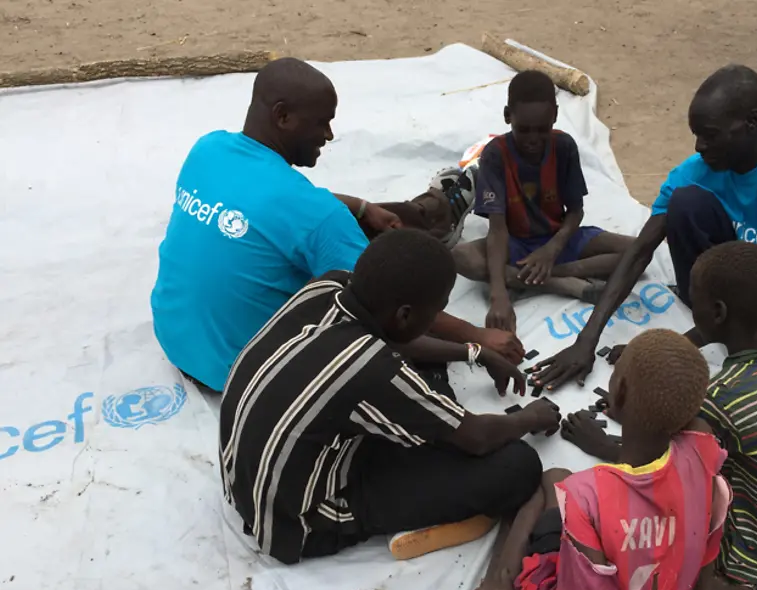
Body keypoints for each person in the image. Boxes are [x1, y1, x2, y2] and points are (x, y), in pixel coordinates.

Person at [150, 57, 519, 393]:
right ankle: (438, 213)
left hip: (177, 341)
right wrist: (475, 336)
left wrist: (362, 206)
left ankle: (429, 211)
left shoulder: (209, 149)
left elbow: (268, 201)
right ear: (283, 116)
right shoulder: (317, 214)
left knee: (349, 226)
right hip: (245, 374)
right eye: (322, 122)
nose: (328, 134)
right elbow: (386, 299)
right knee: (385, 316)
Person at [529, 63, 757, 391]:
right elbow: (640, 251)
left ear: (752, 122)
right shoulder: (700, 168)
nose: (700, 146)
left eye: (711, 135)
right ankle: (709, 311)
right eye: (697, 135)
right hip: (734, 278)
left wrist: (675, 347)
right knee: (685, 202)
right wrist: (586, 341)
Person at [220, 229, 563, 565]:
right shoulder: (373, 368)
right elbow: (477, 438)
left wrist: (475, 352)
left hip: (245, 475)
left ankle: (429, 425)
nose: (437, 318)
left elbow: (397, 341)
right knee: (517, 466)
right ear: (404, 314)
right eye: (436, 311)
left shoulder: (328, 286)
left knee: (431, 365)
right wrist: (530, 417)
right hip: (298, 522)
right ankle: (407, 521)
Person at [561, 241, 757, 590]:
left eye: (693, 299)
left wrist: (605, 443)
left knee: (676, 478)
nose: (689, 305)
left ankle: (709, 585)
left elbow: (666, 470)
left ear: (716, 312)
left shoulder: (725, 396)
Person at [466, 329, 740, 590]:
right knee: (556, 479)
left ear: (618, 392)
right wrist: (642, 407)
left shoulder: (585, 497)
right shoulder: (703, 447)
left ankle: (498, 589)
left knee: (543, 485)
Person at [452, 70, 634, 332]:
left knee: (637, 251)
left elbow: (575, 211)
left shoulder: (564, 147)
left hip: (559, 238)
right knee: (461, 257)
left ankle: (553, 274)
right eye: (523, 130)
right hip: (515, 244)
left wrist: (551, 251)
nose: (533, 140)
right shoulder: (495, 155)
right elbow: (498, 229)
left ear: (555, 116)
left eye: (542, 129)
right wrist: (498, 295)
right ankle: (559, 283)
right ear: (507, 116)